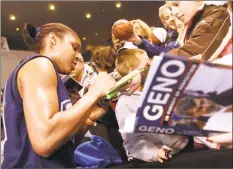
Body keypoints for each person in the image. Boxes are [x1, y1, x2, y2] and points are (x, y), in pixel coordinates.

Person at [1, 23, 116, 168]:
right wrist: (93, 93)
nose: (77, 55)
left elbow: (62, 142)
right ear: (53, 39)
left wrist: (88, 117)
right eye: (74, 47)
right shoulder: (40, 64)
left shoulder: (50, 75)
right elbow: (45, 141)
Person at [115, 48, 190, 163]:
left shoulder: (161, 84)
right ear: (133, 71)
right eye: (147, 63)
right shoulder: (125, 105)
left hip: (188, 144)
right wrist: (154, 153)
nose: (151, 63)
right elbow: (134, 140)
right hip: (167, 158)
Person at [166, 1, 231, 60]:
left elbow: (193, 52)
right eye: (171, 8)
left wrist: (163, 60)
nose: (174, 13)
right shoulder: (196, 20)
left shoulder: (217, 13)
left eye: (176, 4)